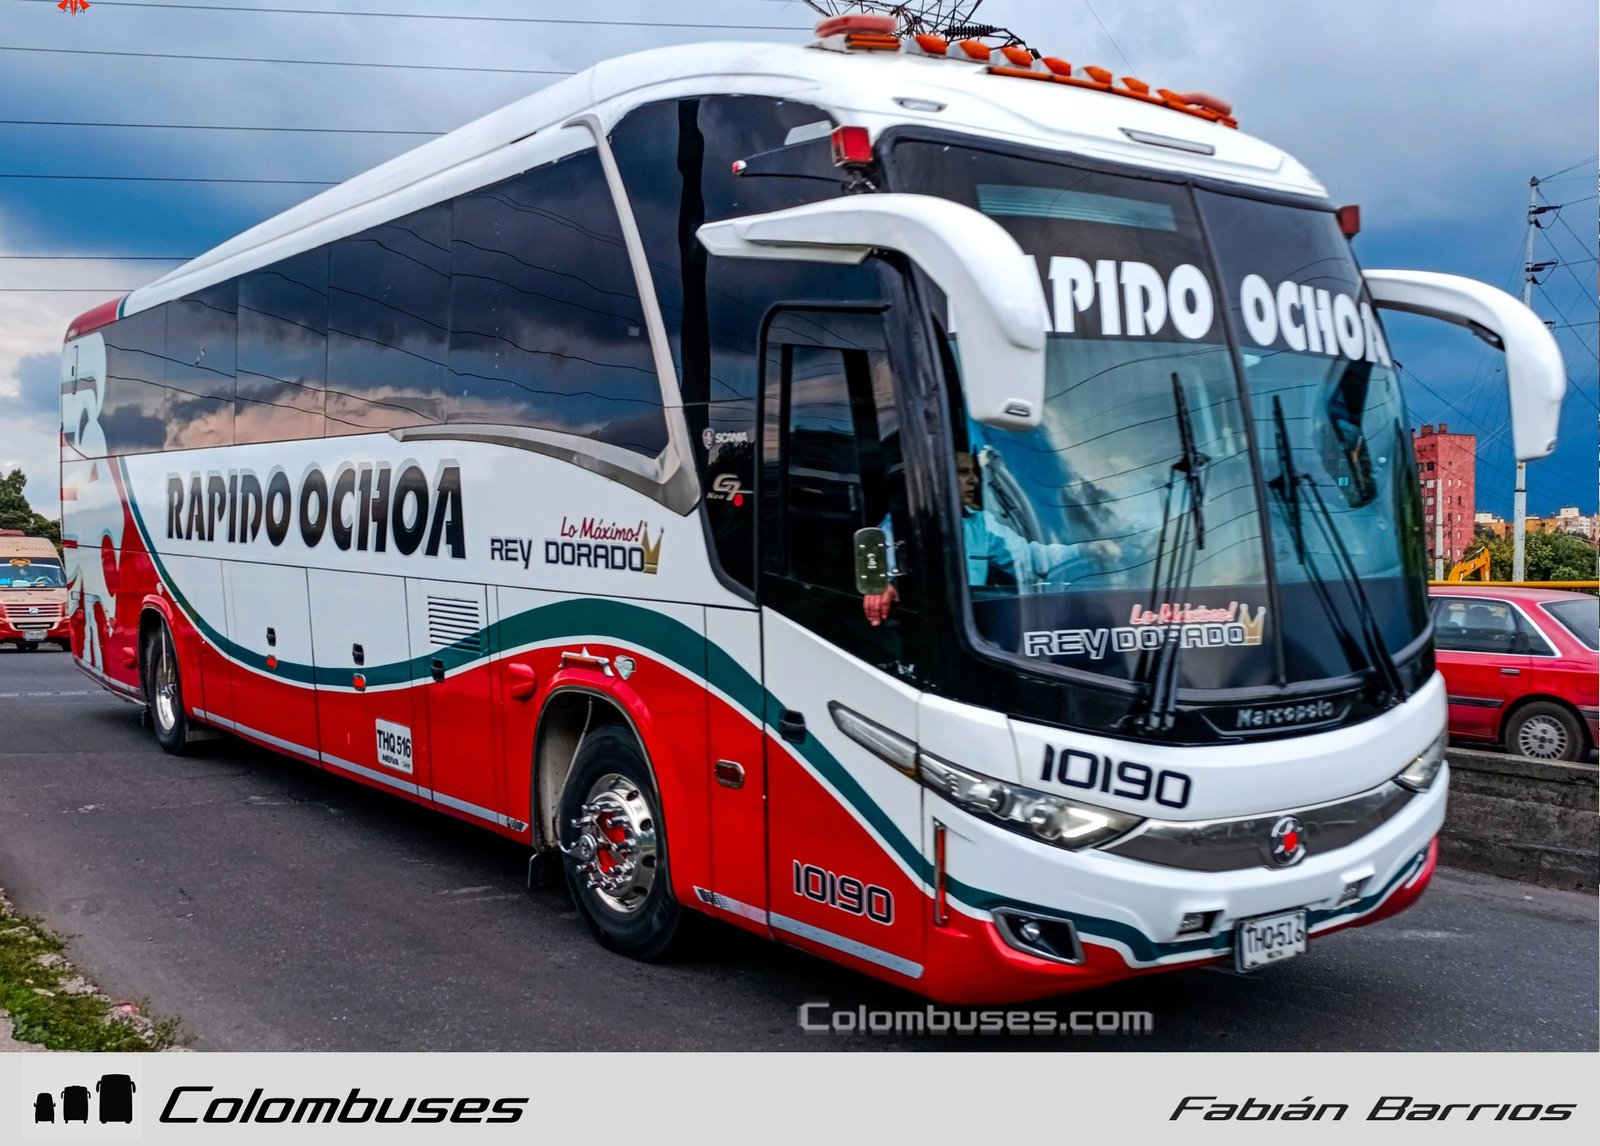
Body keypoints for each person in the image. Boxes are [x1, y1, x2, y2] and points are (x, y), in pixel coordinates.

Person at [864, 450, 1091, 625]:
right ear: (938, 476)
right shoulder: (903, 521)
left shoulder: (981, 524)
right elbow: (878, 567)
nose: (974, 480)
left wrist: (1089, 550)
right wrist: (882, 585)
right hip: (926, 625)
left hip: (970, 626)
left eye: (974, 472)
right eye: (963, 472)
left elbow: (1032, 559)